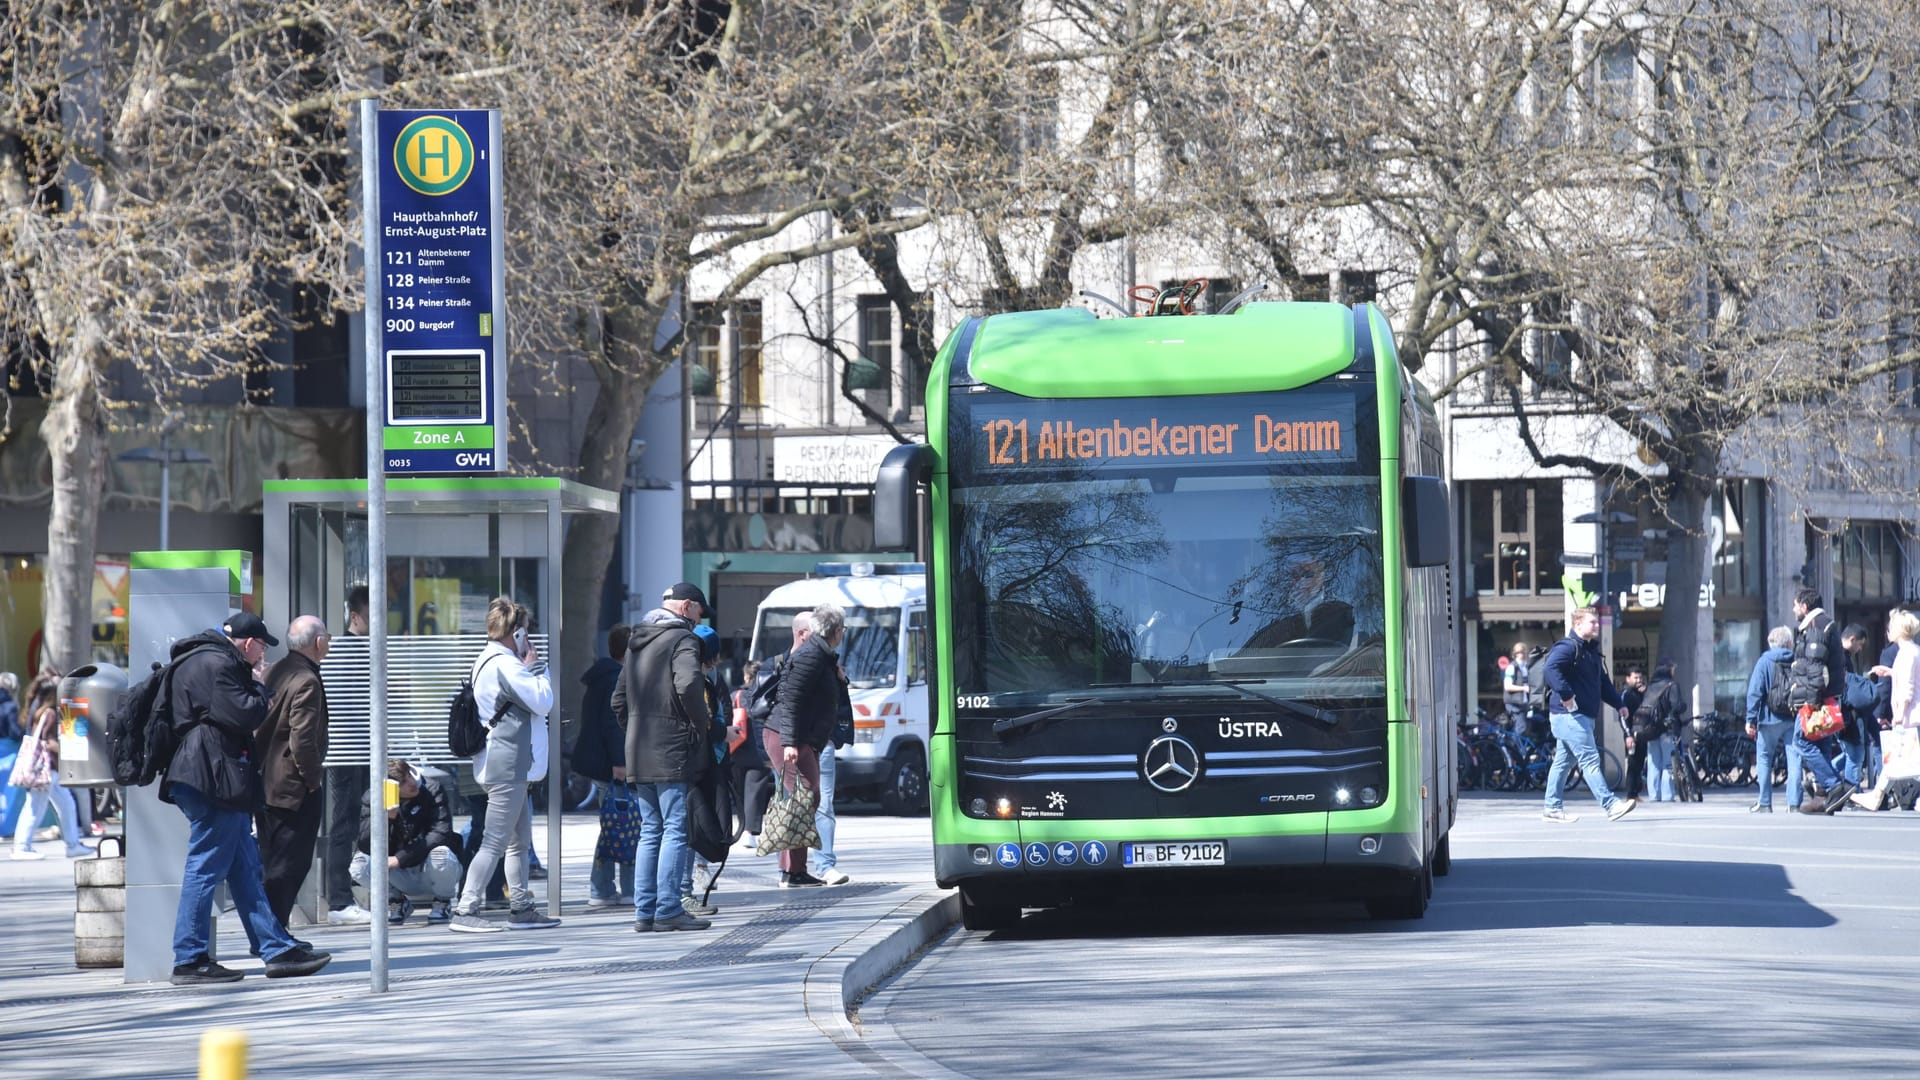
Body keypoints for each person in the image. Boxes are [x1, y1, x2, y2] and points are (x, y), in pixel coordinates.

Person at [160, 613, 330, 984]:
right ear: (249, 644)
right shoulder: (219, 664)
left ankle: (274, 947)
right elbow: (249, 713)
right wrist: (257, 685)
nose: (261, 657)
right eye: (260, 649)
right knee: (204, 868)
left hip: (214, 776)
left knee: (245, 869)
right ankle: (189, 958)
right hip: (211, 777)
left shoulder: (201, 658)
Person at [448, 598, 561, 933]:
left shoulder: (487, 660)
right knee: (495, 841)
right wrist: (537, 667)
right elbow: (543, 701)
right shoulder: (506, 665)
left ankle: (522, 907)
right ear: (518, 633)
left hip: (506, 763)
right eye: (526, 632)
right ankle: (465, 909)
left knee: (516, 842)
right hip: (508, 764)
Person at [620, 581, 714, 932]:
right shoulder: (683, 640)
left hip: (638, 746)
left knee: (650, 829)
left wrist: (634, 729)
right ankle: (669, 909)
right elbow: (689, 684)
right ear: (687, 606)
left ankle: (645, 911)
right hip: (671, 745)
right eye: (698, 611)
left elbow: (619, 699)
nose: (699, 618)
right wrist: (699, 723)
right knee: (674, 827)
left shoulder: (636, 642)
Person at [252, 616, 331, 929]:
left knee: (274, 861)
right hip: (292, 789)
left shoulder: (276, 671)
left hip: (268, 783)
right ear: (318, 642)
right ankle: (273, 934)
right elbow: (303, 740)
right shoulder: (306, 680)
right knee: (288, 866)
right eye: (327, 635)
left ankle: (272, 933)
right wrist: (313, 782)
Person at [767, 602, 847, 886]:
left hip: (802, 738)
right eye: (843, 629)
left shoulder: (821, 655)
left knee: (807, 798)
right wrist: (790, 742)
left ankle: (795, 870)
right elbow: (791, 700)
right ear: (836, 630)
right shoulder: (812, 655)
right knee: (806, 796)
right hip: (787, 736)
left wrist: (840, 678)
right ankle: (791, 871)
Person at [1540, 607, 1635, 823]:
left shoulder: (1590, 651)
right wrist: (1566, 695)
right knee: (1590, 759)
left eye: (1597, 622)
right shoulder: (1567, 646)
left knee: (1563, 763)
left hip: (1578, 716)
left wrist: (1618, 703)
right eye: (1592, 622)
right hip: (1569, 715)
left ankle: (1552, 807)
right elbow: (1550, 669)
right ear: (1578, 624)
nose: (1597, 626)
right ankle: (1611, 805)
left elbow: (1602, 683)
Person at [353, 760, 462, 923]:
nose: (411, 783)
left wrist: (399, 858)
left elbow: (440, 834)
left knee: (441, 854)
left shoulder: (431, 789)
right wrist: (387, 818)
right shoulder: (373, 797)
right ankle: (396, 900)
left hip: (428, 868)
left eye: (410, 775)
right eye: (402, 782)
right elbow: (365, 844)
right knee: (359, 864)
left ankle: (442, 901)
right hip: (397, 874)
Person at [324, 585, 375, 926]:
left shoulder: (368, 648)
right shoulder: (345, 651)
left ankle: (353, 891)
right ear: (355, 616)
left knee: (364, 819)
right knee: (344, 822)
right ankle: (339, 899)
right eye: (374, 615)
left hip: (363, 748)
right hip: (346, 751)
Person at [575, 624, 634, 908]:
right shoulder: (616, 678)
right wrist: (620, 762)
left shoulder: (603, 675)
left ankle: (603, 887)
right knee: (626, 824)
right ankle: (620, 887)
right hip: (614, 766)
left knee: (613, 824)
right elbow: (614, 724)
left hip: (602, 764)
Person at [1785, 589, 1854, 814]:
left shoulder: (1815, 626)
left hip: (1816, 698)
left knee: (1801, 740)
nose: (1794, 609)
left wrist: (1812, 701)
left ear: (1804, 606)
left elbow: (1815, 666)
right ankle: (1822, 796)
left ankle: (1834, 785)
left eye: (1796, 605)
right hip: (1824, 696)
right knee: (1820, 744)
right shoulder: (1821, 624)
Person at [8, 670, 89, 859]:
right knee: (35, 808)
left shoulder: (35, 709)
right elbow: (48, 742)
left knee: (66, 803)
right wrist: (70, 750)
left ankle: (73, 843)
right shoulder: (51, 713)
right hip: (45, 769)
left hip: (46, 771)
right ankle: (21, 847)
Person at [1849, 609, 1920, 812]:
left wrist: (1899, 714)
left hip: (1910, 715)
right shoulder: (1913, 650)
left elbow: (1908, 688)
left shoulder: (1906, 653)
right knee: (1899, 758)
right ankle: (1878, 795)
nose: (1888, 630)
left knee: (1899, 758)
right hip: (1913, 714)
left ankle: (1877, 795)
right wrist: (1890, 672)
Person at [1744, 626, 1798, 812]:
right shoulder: (1796, 661)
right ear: (1789, 643)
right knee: (1794, 758)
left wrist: (1750, 719)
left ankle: (1765, 802)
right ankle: (1794, 803)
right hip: (1793, 717)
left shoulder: (1764, 661)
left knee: (1765, 758)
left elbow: (1754, 692)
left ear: (1771, 643)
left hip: (1768, 718)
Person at [1627, 661, 1683, 803]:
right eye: (1673, 669)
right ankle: (1667, 795)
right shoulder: (1671, 686)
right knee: (1667, 763)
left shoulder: (1650, 687)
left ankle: (1653, 795)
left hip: (1650, 730)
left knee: (1653, 763)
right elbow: (1677, 706)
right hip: (1666, 729)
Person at [1501, 643, 1531, 731]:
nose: (1525, 654)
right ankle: (1513, 744)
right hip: (1514, 704)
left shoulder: (1525, 667)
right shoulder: (1512, 667)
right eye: (1522, 652)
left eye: (1526, 652)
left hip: (1523, 703)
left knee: (1522, 728)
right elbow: (1507, 686)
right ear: (1516, 654)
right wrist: (1524, 688)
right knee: (1520, 728)